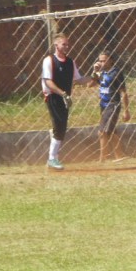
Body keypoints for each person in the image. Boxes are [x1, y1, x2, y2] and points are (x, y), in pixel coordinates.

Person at [41, 34, 94, 170]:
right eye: (63, 44)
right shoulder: (49, 60)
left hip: (65, 98)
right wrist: (62, 93)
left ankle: (53, 156)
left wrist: (94, 77)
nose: (66, 47)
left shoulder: (70, 62)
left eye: (67, 44)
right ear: (56, 45)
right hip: (53, 96)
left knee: (61, 127)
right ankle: (52, 159)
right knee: (60, 127)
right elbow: (48, 81)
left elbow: (79, 79)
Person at [90, 51, 130, 162]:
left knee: (102, 132)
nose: (101, 63)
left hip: (113, 104)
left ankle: (102, 158)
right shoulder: (101, 72)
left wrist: (126, 111)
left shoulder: (116, 73)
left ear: (111, 60)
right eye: (100, 60)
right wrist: (95, 71)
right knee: (111, 131)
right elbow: (90, 84)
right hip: (103, 105)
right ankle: (119, 155)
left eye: (104, 60)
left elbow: (124, 92)